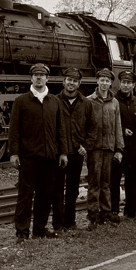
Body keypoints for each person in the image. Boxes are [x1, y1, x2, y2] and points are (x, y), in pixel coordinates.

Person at [8, 63, 69, 241]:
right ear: (31, 78)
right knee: (25, 196)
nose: (39, 78)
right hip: (28, 157)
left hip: (50, 156)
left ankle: (39, 229)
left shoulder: (55, 102)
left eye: (42, 75)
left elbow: (61, 130)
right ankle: (22, 231)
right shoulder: (21, 101)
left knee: (45, 195)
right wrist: (14, 153)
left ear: (47, 78)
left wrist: (63, 152)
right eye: (36, 75)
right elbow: (14, 130)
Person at [55, 66, 95, 230]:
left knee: (72, 189)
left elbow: (93, 127)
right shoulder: (54, 101)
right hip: (59, 152)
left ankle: (70, 222)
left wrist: (86, 145)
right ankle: (58, 224)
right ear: (64, 82)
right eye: (69, 80)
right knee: (57, 189)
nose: (71, 83)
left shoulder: (86, 103)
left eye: (74, 81)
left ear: (79, 84)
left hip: (77, 152)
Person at [86, 69, 125, 228]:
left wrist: (119, 148)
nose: (104, 83)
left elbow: (118, 126)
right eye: (102, 80)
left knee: (106, 182)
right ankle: (93, 215)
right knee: (94, 182)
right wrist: (85, 146)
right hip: (94, 148)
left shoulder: (114, 102)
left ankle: (106, 212)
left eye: (107, 81)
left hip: (109, 147)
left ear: (110, 83)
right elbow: (84, 125)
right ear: (97, 81)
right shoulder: (89, 101)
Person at [112, 70, 136, 219]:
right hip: (118, 146)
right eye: (123, 82)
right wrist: (122, 130)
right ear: (119, 84)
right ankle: (114, 211)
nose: (126, 85)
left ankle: (132, 210)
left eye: (129, 83)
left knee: (133, 180)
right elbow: (110, 122)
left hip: (134, 147)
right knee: (115, 179)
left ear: (133, 85)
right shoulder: (113, 100)